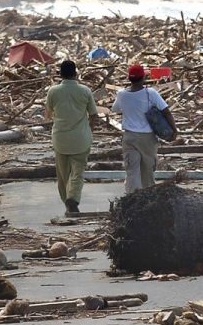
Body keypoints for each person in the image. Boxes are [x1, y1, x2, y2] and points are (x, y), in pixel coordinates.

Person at [111, 64, 179, 193]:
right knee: (147, 171)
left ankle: (131, 198)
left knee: (132, 171)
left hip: (129, 137)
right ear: (143, 78)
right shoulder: (150, 93)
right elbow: (166, 111)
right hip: (147, 138)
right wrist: (174, 130)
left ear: (129, 78)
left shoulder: (122, 94)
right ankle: (148, 200)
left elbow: (115, 109)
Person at [45, 60, 98, 213]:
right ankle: (73, 198)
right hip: (81, 138)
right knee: (78, 172)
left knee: (63, 175)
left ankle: (67, 202)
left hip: (60, 138)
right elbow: (94, 115)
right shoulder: (85, 91)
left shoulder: (53, 91)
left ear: (60, 74)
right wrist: (89, 129)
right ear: (75, 73)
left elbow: (48, 114)